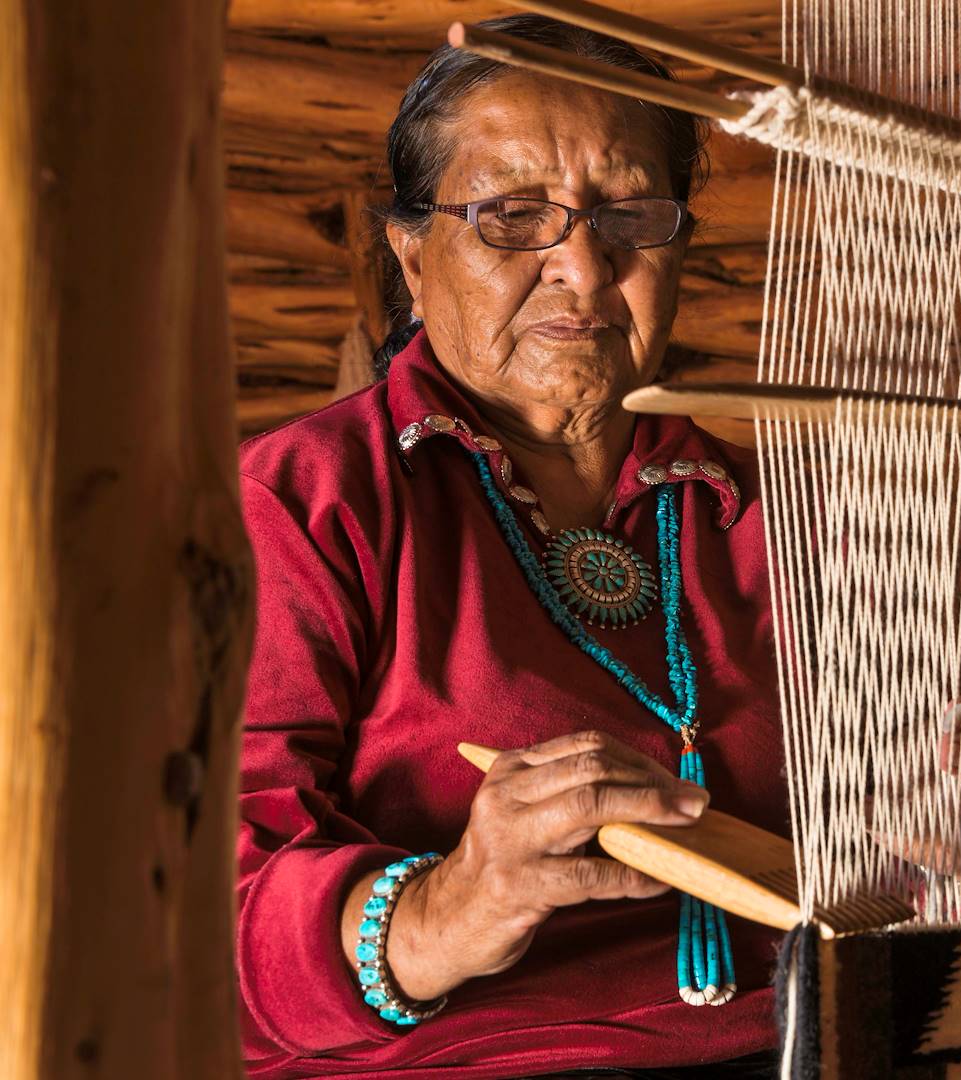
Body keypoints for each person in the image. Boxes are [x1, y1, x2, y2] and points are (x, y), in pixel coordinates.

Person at [235, 16, 783, 1078]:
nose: (582, 264)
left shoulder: (771, 516)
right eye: (512, 216)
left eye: (628, 213)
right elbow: (202, 901)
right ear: (410, 252)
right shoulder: (302, 506)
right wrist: (456, 906)